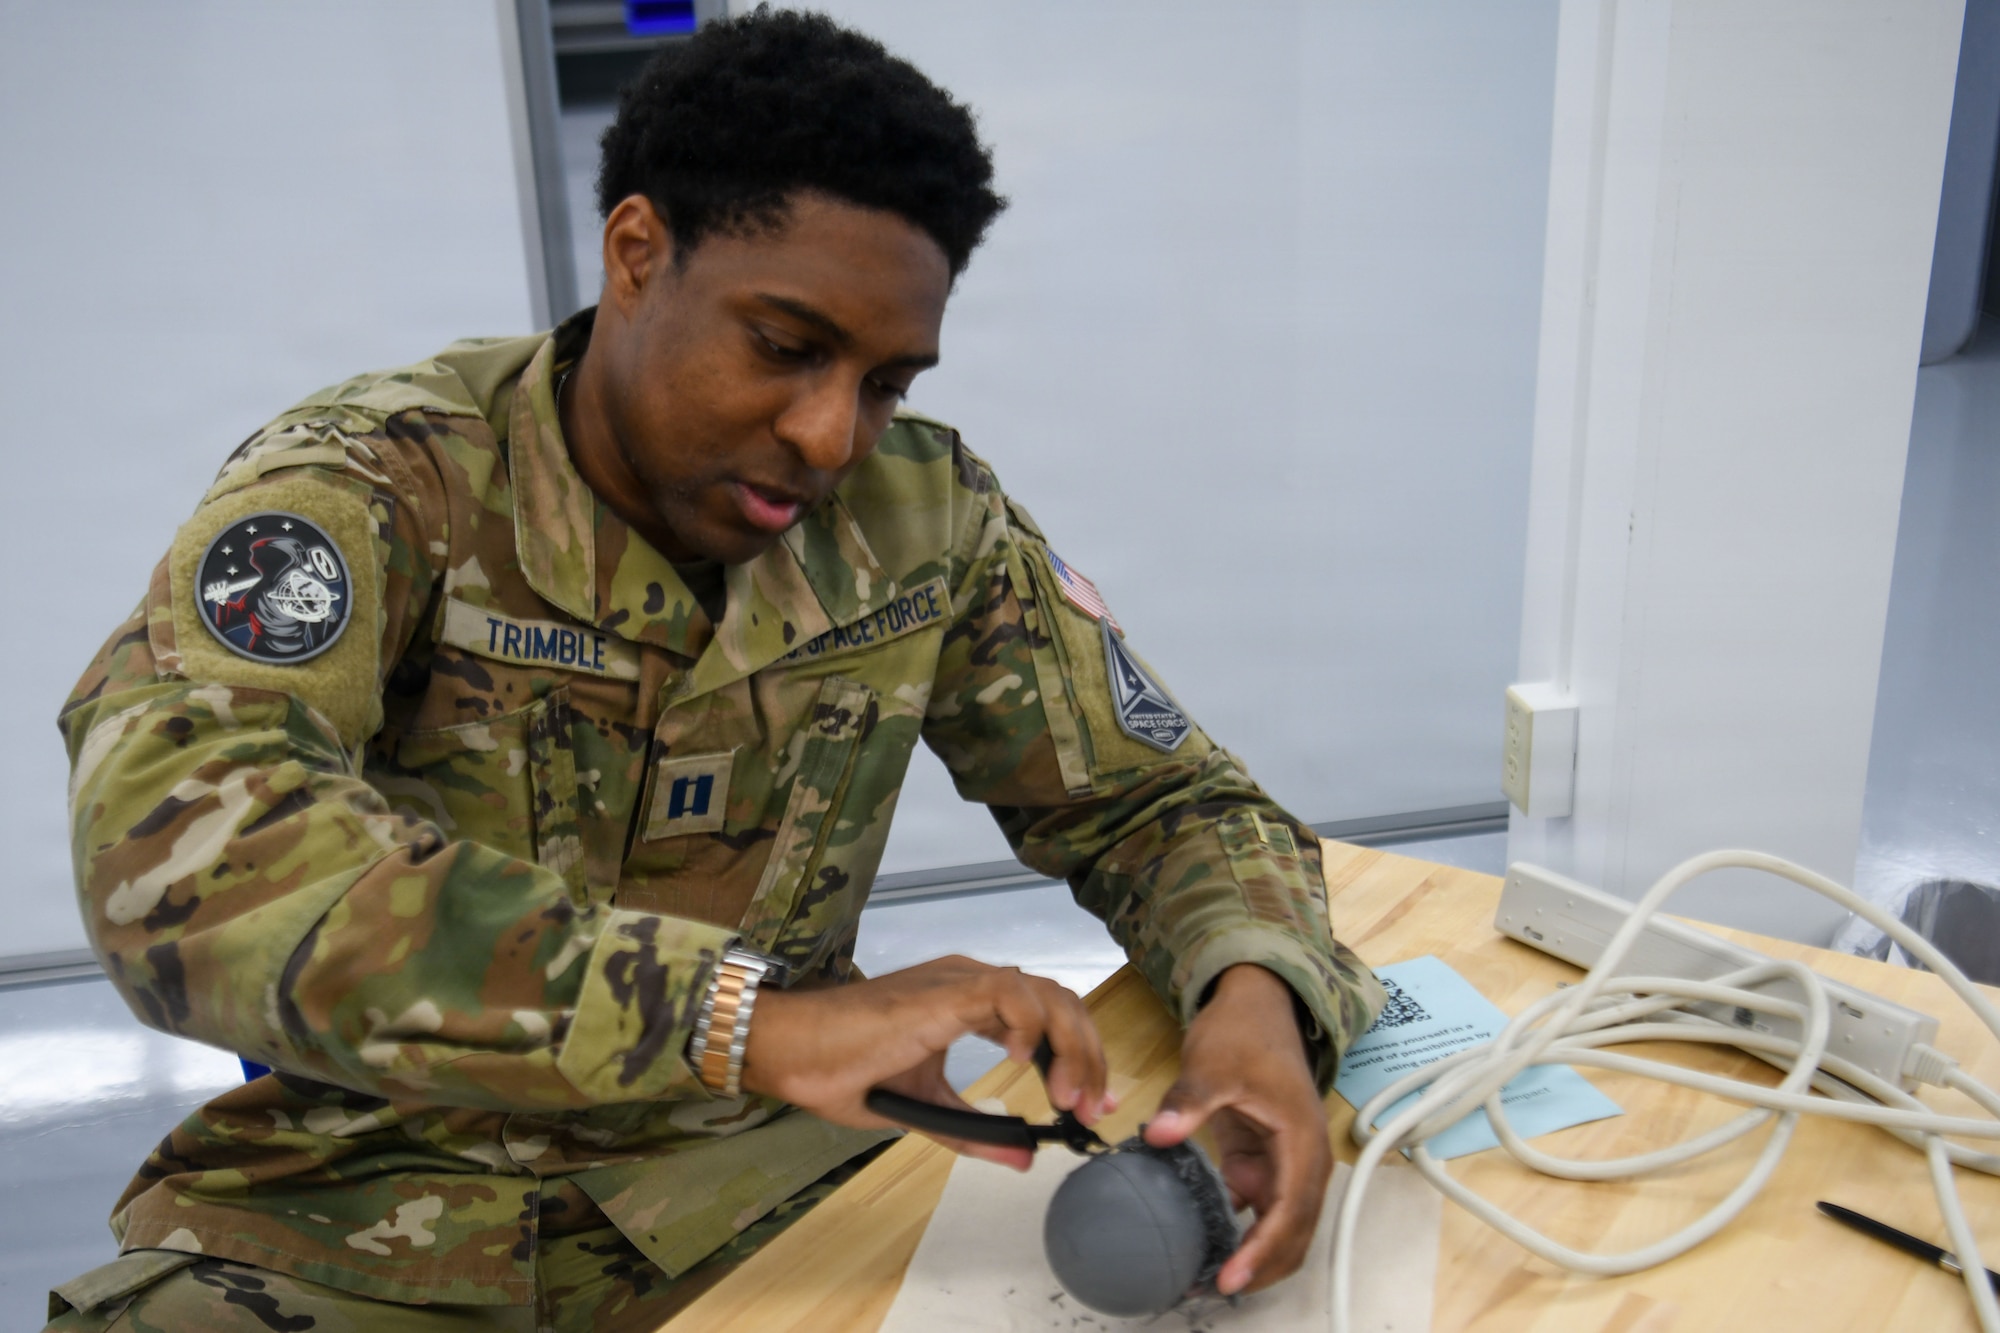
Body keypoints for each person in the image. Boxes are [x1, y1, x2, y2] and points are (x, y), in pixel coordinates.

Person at [46, 10, 1384, 1331]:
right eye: (787, 346)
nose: (828, 433)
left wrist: (1254, 1006)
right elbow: (183, 859)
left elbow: (1168, 804)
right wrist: (756, 1023)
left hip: (769, 1190)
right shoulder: (384, 484)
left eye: (884, 383)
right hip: (366, 1224)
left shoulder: (920, 522)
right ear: (638, 252)